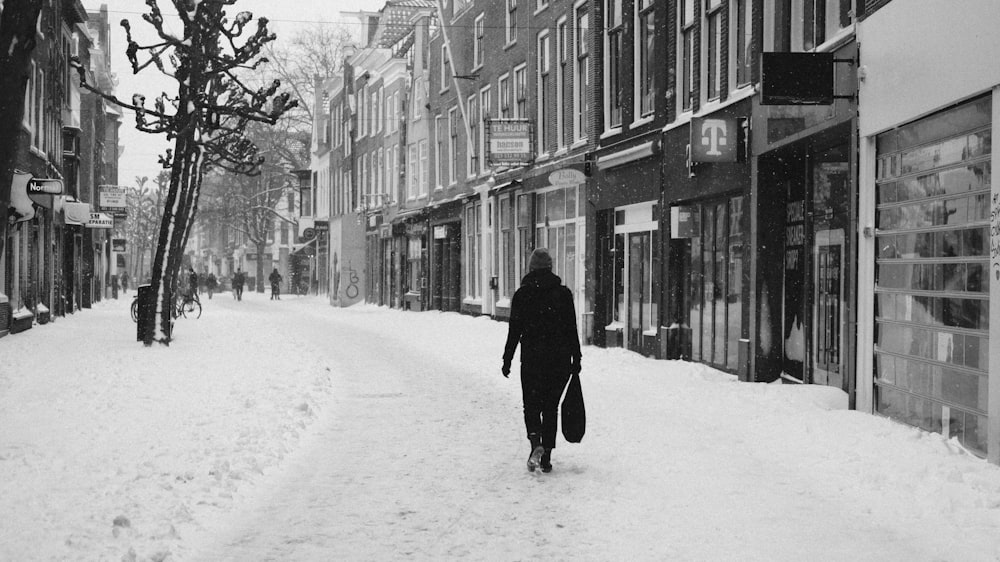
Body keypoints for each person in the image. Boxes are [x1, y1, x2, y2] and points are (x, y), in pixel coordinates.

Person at [501, 248, 582, 473]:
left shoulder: (522, 295)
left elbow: (514, 331)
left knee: (531, 406)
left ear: (530, 268)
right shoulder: (563, 294)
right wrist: (577, 357)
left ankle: (536, 442)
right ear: (550, 267)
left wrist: (507, 359)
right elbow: (571, 328)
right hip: (559, 360)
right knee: (551, 408)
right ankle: (546, 456)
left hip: (532, 360)